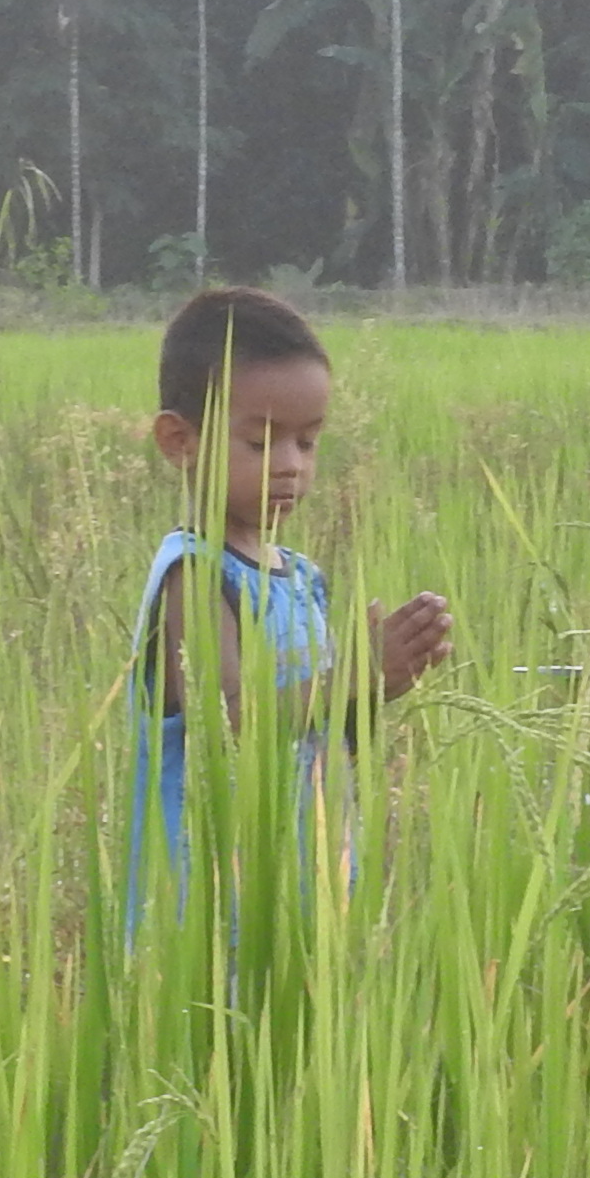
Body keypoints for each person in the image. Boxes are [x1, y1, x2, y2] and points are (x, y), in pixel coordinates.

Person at [128, 285, 452, 933]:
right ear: (178, 440)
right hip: (210, 900)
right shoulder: (195, 575)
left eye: (307, 444)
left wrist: (379, 683)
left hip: (302, 879)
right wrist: (349, 679)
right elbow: (225, 724)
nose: (291, 468)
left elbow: (318, 725)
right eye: (262, 444)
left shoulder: (301, 579)